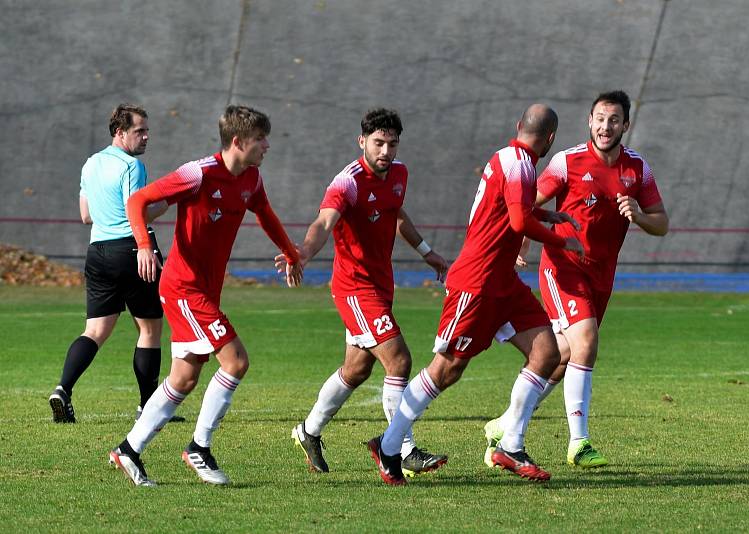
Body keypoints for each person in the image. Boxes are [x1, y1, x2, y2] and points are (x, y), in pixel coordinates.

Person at [366, 104, 585, 485]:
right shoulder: (518, 163)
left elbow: (509, 213)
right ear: (550, 139)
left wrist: (549, 217)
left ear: (519, 127)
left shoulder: (514, 159)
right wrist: (561, 241)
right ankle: (388, 446)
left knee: (547, 352)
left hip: (503, 282)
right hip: (477, 282)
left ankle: (511, 445)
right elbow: (518, 220)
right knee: (447, 368)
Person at [108, 105, 302, 487]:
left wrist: (291, 252)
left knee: (183, 378)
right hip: (184, 288)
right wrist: (144, 245)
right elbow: (137, 201)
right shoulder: (197, 173)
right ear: (237, 142)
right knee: (236, 361)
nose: (267, 145)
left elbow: (266, 214)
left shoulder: (252, 178)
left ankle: (128, 450)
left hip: (204, 291)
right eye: (260, 139)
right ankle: (199, 447)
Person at [484, 90, 669, 469]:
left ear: (625, 126)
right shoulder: (565, 162)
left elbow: (661, 223)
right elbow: (527, 203)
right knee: (585, 339)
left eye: (614, 120)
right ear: (590, 121)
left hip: (602, 276)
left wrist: (639, 215)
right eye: (600, 119)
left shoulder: (638, 170)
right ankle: (579, 442)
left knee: (562, 357)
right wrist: (519, 244)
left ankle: (505, 425)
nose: (605, 126)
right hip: (563, 267)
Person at [275, 108, 449, 478]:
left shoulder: (399, 173)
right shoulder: (347, 182)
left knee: (356, 370)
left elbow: (397, 214)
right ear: (363, 142)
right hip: (355, 288)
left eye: (392, 143)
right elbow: (324, 221)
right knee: (399, 360)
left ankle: (308, 431)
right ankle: (401, 449)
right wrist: (302, 252)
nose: (385, 151)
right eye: (378, 143)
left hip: (381, 285)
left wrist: (426, 252)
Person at [49, 104, 174, 424]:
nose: (146, 137)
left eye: (147, 130)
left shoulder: (90, 164)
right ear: (120, 133)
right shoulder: (132, 166)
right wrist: (170, 201)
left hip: (98, 252)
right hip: (133, 252)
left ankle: (63, 389)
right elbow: (138, 212)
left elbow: (86, 215)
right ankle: (149, 407)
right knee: (149, 329)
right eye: (139, 131)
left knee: (95, 330)